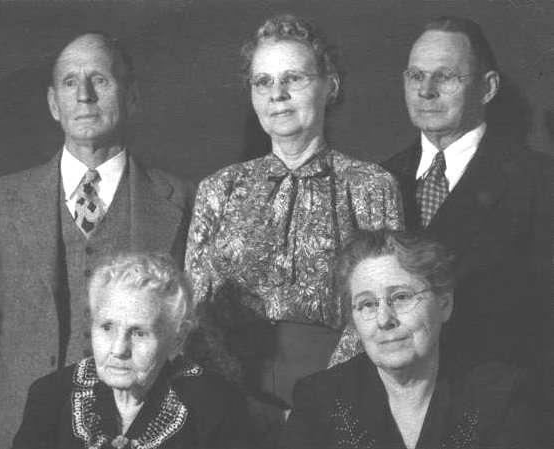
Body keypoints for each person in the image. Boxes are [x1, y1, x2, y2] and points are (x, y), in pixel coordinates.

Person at [0, 31, 191, 449]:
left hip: (140, 426)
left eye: (100, 80)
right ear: (54, 103)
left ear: (133, 97)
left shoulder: (181, 199)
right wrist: (30, 399)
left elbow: (185, 329)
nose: (84, 95)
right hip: (26, 428)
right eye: (70, 82)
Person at [186, 14, 402, 443]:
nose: (277, 95)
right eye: (262, 82)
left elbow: (383, 309)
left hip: (338, 397)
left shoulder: (370, 185)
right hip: (227, 401)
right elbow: (195, 312)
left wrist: (320, 402)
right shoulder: (219, 188)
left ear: (330, 85)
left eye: (293, 79)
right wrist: (234, 405)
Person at [381, 16, 552, 385]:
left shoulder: (540, 181)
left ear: (487, 88)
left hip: (501, 402)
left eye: (445, 76)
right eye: (415, 76)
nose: (426, 91)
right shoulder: (376, 181)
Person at [280, 230, 542, 449]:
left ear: (444, 304)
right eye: (367, 304)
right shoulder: (319, 397)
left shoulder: (501, 394)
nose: (384, 319)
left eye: (402, 297)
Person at [12, 253, 244, 448]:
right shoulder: (50, 396)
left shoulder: (213, 404)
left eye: (139, 333)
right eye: (106, 327)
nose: (119, 349)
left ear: (177, 337)